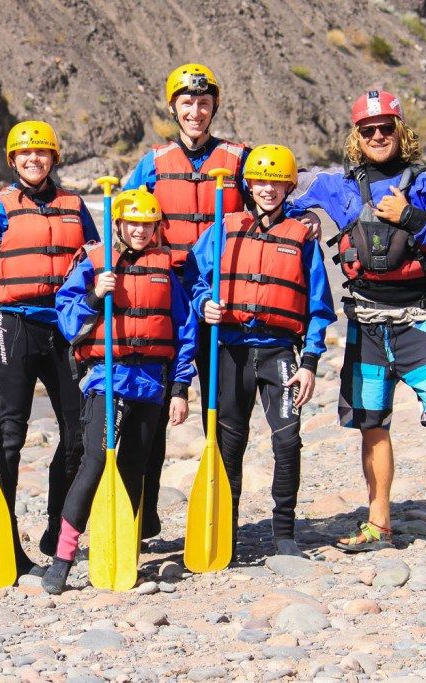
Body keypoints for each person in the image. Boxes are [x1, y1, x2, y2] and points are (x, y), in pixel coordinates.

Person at [288, 89, 426, 557]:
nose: (378, 135)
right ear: (356, 137)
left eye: (386, 127)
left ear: (401, 130)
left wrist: (413, 217)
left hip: (420, 320)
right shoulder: (334, 185)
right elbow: (270, 185)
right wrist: (304, 220)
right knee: (372, 424)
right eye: (367, 129)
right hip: (366, 326)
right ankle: (379, 523)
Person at [125, 63, 321, 540]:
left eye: (204, 102)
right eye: (187, 103)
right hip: (165, 296)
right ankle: (141, 516)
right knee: (149, 407)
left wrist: (306, 218)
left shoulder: (238, 160)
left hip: (226, 307)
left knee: (222, 420)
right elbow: (126, 216)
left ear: (214, 107)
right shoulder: (153, 163)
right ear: (173, 108)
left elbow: (272, 199)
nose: (196, 111)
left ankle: (227, 517)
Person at [0, 120, 99, 575]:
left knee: (77, 435)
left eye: (42, 153)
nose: (33, 160)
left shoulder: (73, 206)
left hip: (65, 329)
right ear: (12, 161)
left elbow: (98, 259)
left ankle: (55, 531)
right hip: (14, 327)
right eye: (24, 154)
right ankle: (7, 544)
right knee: (11, 436)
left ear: (54, 159)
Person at [43, 186, 196, 593]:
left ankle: (122, 547)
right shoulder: (95, 263)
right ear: (119, 225)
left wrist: (180, 386)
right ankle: (63, 555)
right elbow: (68, 321)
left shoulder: (166, 268)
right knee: (94, 462)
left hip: (150, 383)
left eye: (148, 225)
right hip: (105, 378)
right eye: (133, 224)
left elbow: (184, 330)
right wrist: (96, 294)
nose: (141, 231)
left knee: (134, 467)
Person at [185, 145, 336, 559]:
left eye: (277, 181)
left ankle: (284, 532)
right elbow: (192, 277)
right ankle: (226, 533)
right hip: (230, 352)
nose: (267, 189)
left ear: (289, 186)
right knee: (228, 445)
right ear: (248, 185)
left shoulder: (302, 237)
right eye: (260, 181)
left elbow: (319, 307)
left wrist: (310, 364)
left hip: (278, 353)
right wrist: (203, 304)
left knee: (287, 441)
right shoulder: (223, 227)